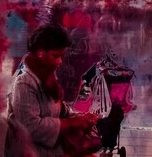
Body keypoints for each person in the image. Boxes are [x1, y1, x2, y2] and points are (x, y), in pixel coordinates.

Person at [6, 24, 98, 156]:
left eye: (61, 56)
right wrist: (70, 123)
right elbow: (29, 127)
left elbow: (59, 107)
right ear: (40, 53)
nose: (59, 61)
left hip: (51, 148)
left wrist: (79, 117)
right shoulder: (24, 81)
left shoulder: (47, 74)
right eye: (55, 56)